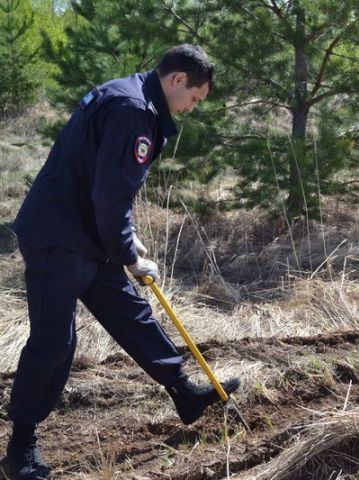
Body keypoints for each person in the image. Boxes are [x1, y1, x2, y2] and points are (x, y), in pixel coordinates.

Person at [5, 44, 239, 480]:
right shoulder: (134, 110)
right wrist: (129, 254)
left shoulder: (132, 96)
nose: (192, 108)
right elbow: (110, 194)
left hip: (88, 234)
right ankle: (21, 447)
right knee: (55, 343)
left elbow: (105, 181)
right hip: (59, 238)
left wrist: (126, 239)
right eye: (195, 98)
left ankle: (183, 392)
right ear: (177, 80)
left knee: (132, 315)